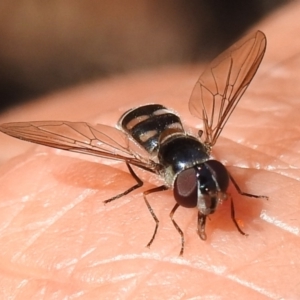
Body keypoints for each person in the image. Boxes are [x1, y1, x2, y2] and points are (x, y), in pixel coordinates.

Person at [0, 3, 300, 298]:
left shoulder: (205, 159)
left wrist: (239, 195)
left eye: (215, 178)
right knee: (138, 182)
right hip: (140, 128)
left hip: (169, 124)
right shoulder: (155, 165)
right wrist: (147, 201)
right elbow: (95, 141)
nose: (213, 189)